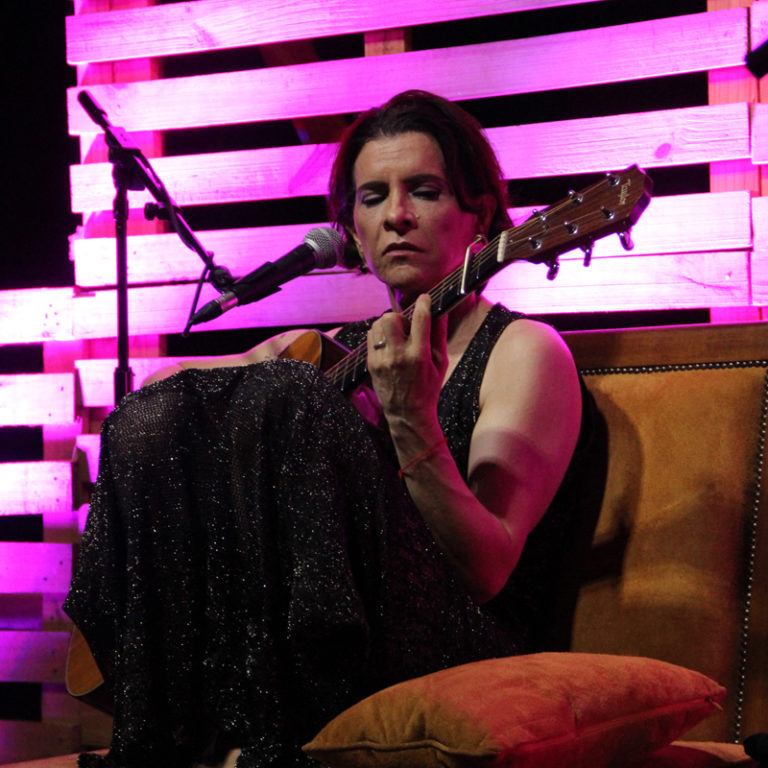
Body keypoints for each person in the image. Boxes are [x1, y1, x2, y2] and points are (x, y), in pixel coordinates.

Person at [64, 90, 605, 768]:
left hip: (461, 638)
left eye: (425, 191)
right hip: (315, 628)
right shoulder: (332, 352)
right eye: (373, 197)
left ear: (481, 213)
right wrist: (258, 377)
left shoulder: (524, 351)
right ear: (350, 228)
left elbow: (485, 571)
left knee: (287, 395)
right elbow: (160, 396)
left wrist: (409, 417)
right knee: (172, 413)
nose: (397, 215)